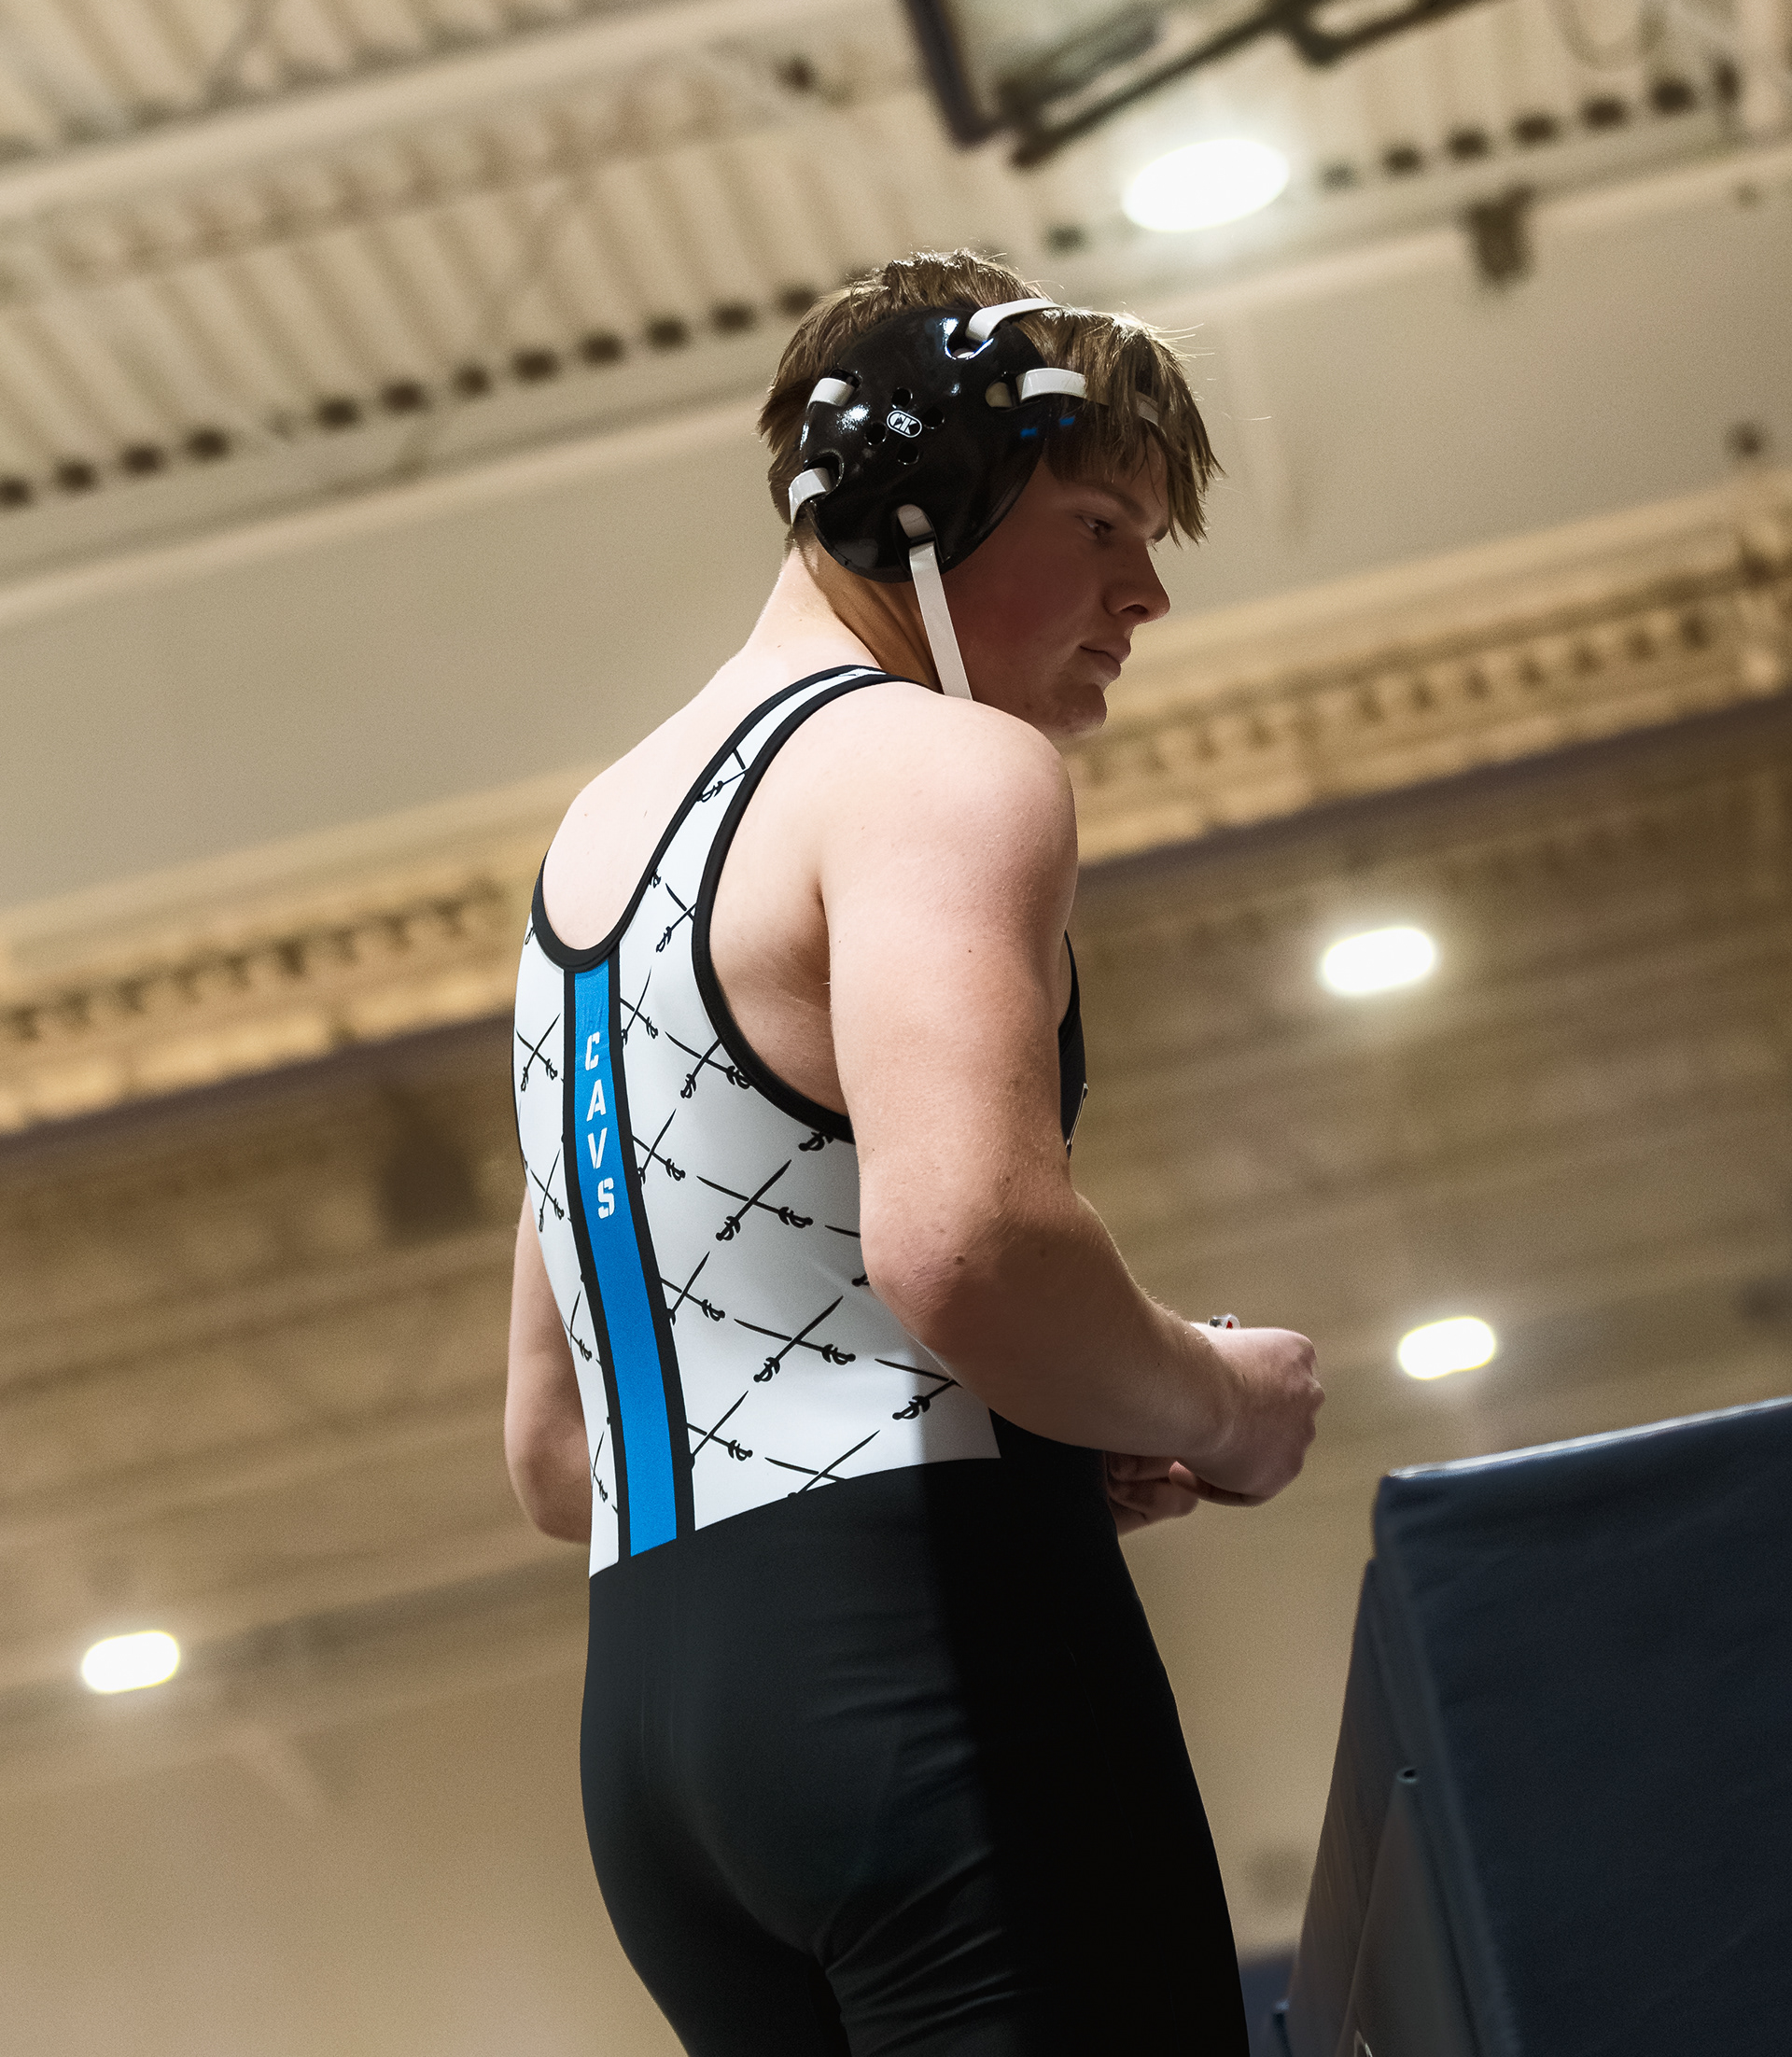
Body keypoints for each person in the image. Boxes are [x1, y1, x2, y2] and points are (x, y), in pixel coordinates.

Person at [505, 249, 1323, 2056]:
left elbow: (560, 1452)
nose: (1148, 595)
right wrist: (1215, 1404)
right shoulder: (938, 769)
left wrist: (1050, 1418)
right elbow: (967, 1248)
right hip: (923, 1665)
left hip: (663, 1747)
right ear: (915, 503)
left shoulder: (593, 853)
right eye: (1102, 525)